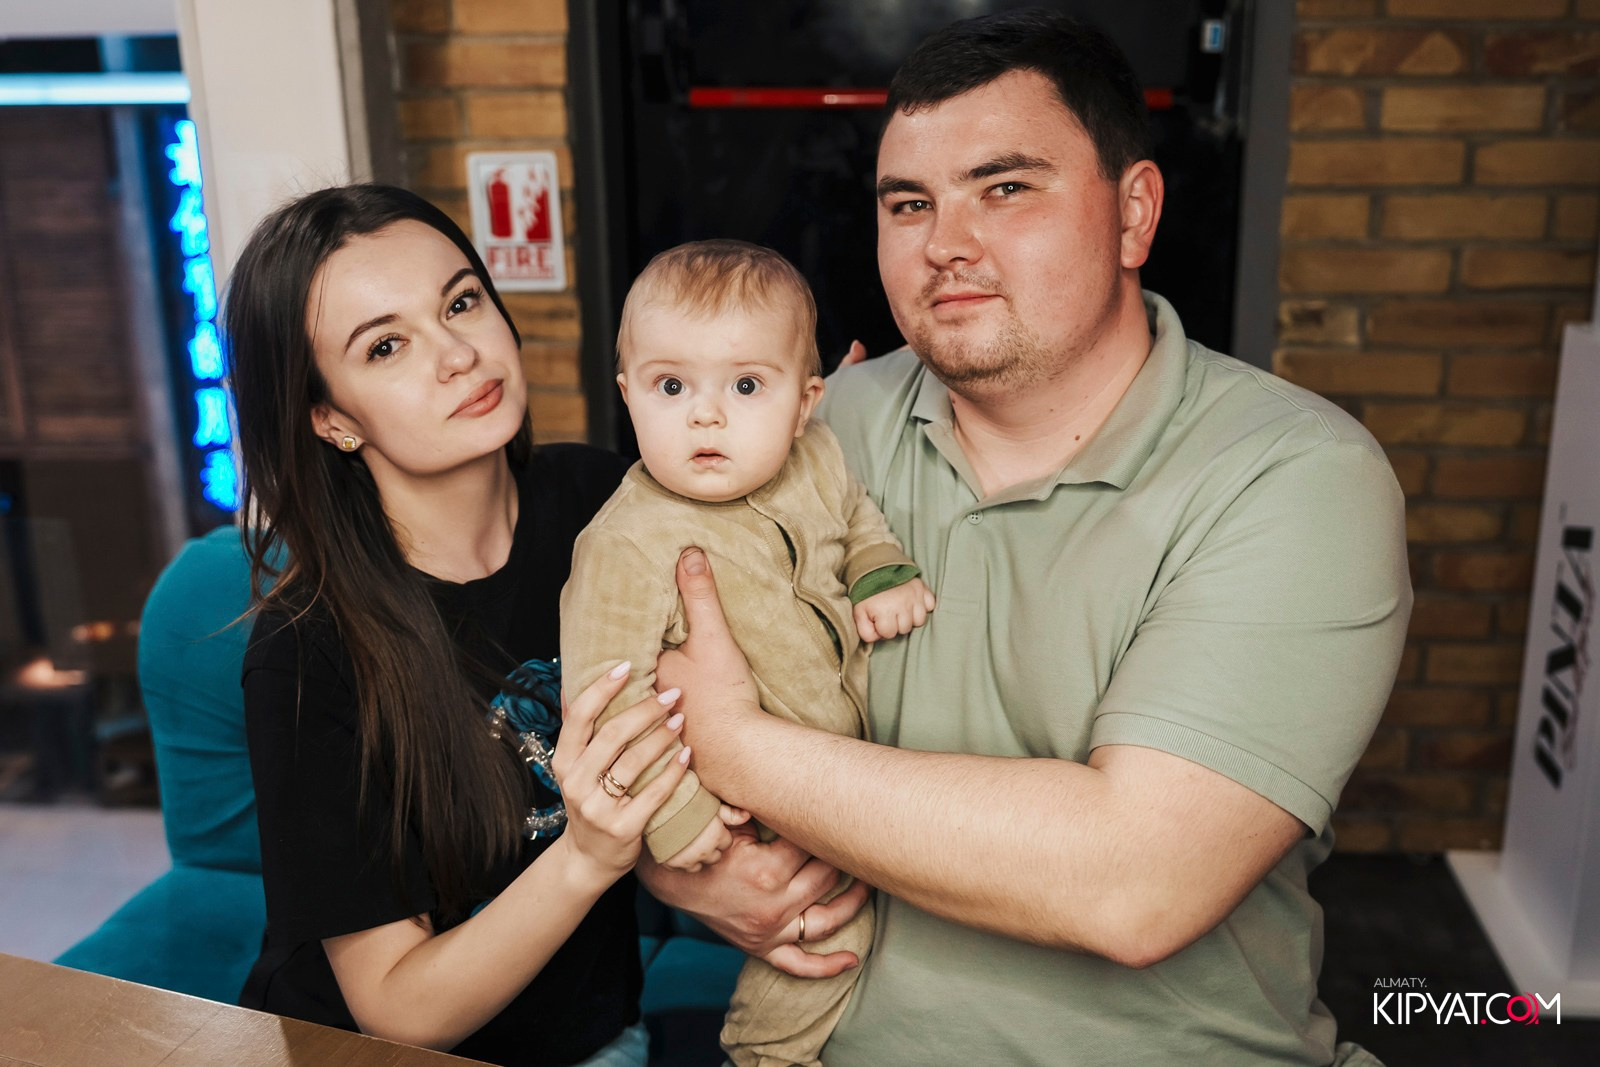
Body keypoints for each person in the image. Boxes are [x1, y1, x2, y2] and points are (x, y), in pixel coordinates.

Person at [639, 10, 1412, 1066]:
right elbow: (639, 687)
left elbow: (1137, 879)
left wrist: (740, 748)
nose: (944, 243)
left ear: (1133, 213)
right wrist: (677, 866)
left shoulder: (1293, 476)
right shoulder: (821, 429)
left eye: (1004, 188)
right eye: (910, 203)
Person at [226, 183, 689, 1067]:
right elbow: (396, 1006)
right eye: (386, 345)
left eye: (462, 302)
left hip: (595, 1037)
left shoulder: (607, 501)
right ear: (330, 418)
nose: (458, 354)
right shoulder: (305, 652)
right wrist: (588, 855)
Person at [559, 239, 935, 1067]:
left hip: (848, 772)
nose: (705, 414)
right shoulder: (626, 540)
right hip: (749, 815)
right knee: (818, 943)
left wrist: (879, 569)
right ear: (628, 395)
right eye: (671, 386)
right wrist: (676, 812)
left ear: (804, 404)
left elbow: (855, 516)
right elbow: (606, 695)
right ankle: (761, 1054)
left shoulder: (819, 458)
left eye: (746, 386)